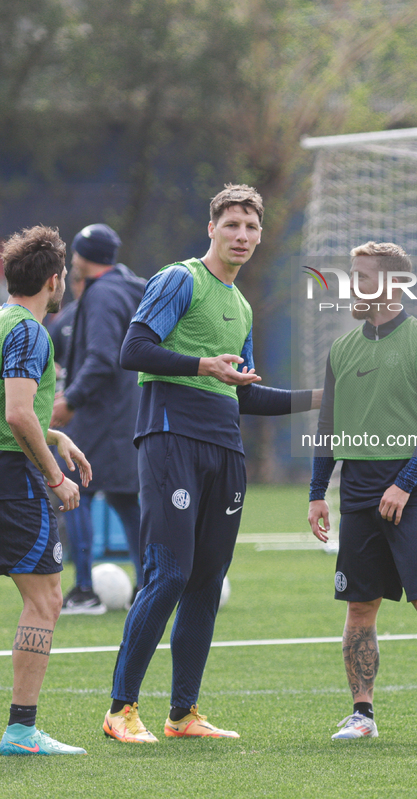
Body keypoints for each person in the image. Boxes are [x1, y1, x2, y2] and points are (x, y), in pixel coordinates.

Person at [103, 184, 321, 743]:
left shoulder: (243, 306)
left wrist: (322, 398)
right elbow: (133, 350)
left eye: (251, 227)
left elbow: (244, 393)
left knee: (205, 581)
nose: (242, 236)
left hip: (225, 448)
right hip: (171, 438)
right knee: (169, 574)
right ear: (211, 229)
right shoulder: (181, 279)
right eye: (232, 226)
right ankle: (120, 710)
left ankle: (183, 715)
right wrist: (203, 365)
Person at [308, 241, 417, 741]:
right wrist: (318, 492)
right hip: (357, 495)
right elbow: (327, 426)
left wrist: (404, 485)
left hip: (414, 493)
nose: (351, 286)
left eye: (361, 277)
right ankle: (363, 715)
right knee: (360, 607)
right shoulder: (341, 349)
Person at [0, 225, 92, 756]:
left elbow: (15, 408)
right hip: (14, 479)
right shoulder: (31, 332)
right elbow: (15, 413)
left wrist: (55, 434)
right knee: (46, 598)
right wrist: (55, 477)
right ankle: (21, 730)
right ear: (54, 280)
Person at [50, 225, 145, 613]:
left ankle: (85, 591)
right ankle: (148, 587)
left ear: (82, 258)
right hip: (131, 412)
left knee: (75, 491)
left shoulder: (101, 293)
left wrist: (71, 400)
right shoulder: (130, 286)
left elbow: (103, 358)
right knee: (126, 499)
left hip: (101, 413)